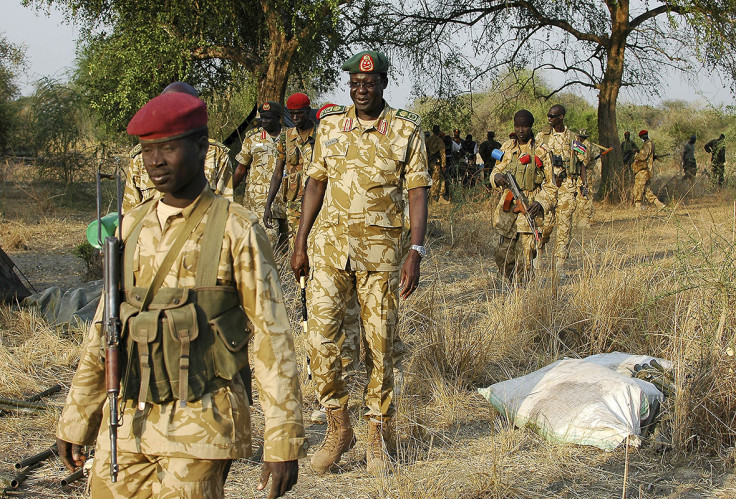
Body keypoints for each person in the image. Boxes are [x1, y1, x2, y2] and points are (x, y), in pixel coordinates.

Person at [56, 92, 306, 498]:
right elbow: (103, 332)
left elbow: (272, 337)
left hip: (201, 421)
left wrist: (283, 438)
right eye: (147, 149)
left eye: (168, 148)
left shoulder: (236, 229)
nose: (155, 161)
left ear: (202, 147)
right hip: (127, 421)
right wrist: (78, 417)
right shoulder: (128, 229)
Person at [291, 50, 430, 476]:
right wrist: (299, 243)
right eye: (355, 83)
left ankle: (377, 436)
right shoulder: (330, 126)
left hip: (381, 257)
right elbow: (315, 183)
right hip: (330, 252)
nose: (361, 89)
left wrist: (416, 251)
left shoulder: (406, 130)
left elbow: (418, 191)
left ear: (384, 83)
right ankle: (339, 426)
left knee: (380, 345)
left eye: (369, 83)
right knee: (320, 340)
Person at [122, 81, 233, 214]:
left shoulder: (216, 155)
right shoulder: (141, 157)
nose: (156, 162)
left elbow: (225, 209)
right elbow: (130, 211)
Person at [490, 110, 551, 281]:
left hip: (530, 207)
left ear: (531, 127)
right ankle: (511, 282)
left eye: (524, 126)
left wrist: (540, 202)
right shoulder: (506, 147)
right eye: (517, 126)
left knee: (525, 258)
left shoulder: (542, 151)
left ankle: (522, 293)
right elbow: (496, 169)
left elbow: (551, 184)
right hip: (508, 210)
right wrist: (497, 178)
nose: (520, 130)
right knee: (502, 255)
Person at [535, 104, 587, 273]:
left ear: (562, 117)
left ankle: (560, 266)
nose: (549, 118)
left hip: (567, 187)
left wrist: (583, 185)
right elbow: (535, 162)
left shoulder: (573, 138)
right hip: (548, 187)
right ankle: (539, 253)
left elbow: (582, 163)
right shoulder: (542, 137)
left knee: (564, 227)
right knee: (545, 226)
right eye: (548, 115)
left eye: (553, 116)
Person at [234, 102, 289, 250]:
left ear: (278, 118)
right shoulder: (252, 138)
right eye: (262, 118)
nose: (264, 121)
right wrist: (227, 191)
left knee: (286, 249)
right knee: (266, 246)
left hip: (286, 201)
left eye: (268, 118)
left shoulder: (290, 137)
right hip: (259, 202)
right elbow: (241, 168)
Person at [631, 130, 665, 210]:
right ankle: (659, 205)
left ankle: (638, 207)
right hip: (646, 170)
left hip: (643, 170)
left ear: (642, 137)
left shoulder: (648, 144)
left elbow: (643, 157)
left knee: (638, 187)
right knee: (646, 190)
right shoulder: (650, 144)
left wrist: (636, 154)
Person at [575, 129, 594, 227]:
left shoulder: (585, 145)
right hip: (583, 173)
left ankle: (585, 219)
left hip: (585, 173)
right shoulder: (584, 145)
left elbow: (584, 161)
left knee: (585, 195)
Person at [426, 124, 449, 202]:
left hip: (429, 162)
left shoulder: (428, 140)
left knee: (436, 178)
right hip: (436, 162)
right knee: (436, 179)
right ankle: (434, 196)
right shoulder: (439, 140)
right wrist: (444, 164)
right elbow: (442, 153)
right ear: (438, 131)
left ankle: (440, 195)